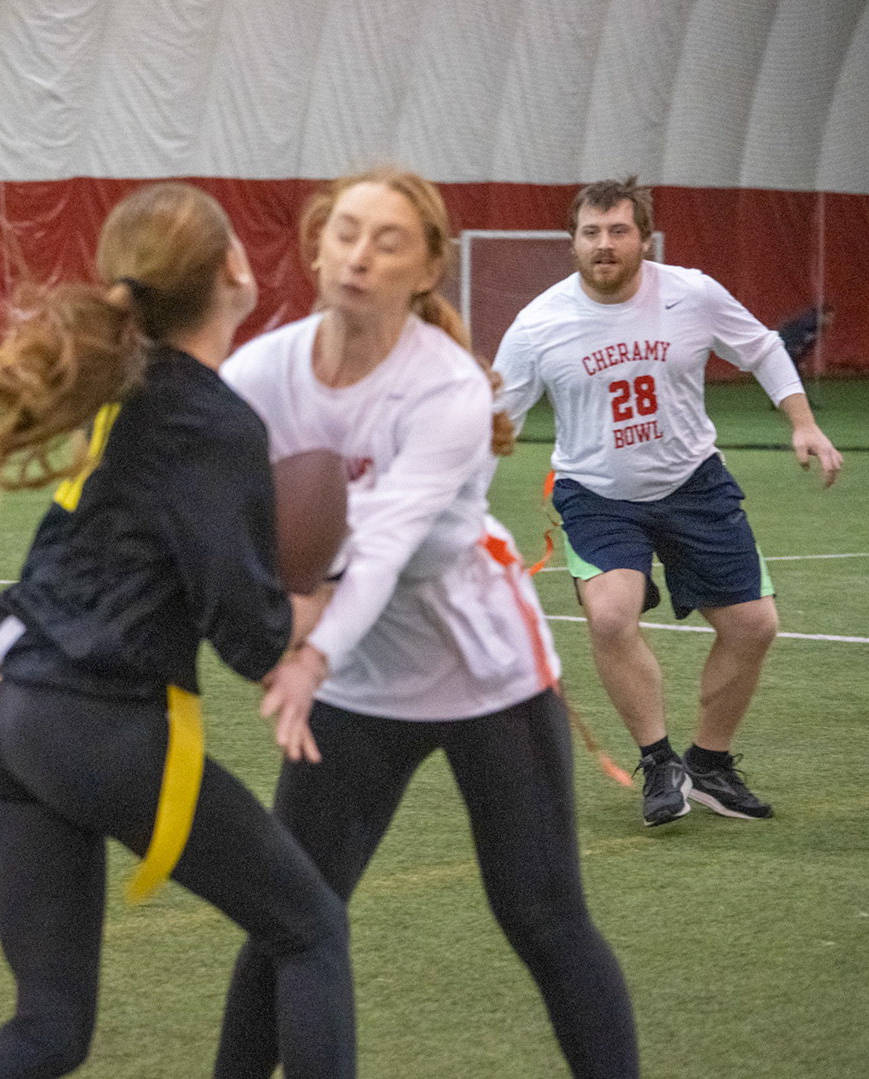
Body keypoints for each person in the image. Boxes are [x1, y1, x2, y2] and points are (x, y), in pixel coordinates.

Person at [0, 183, 355, 1079]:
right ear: (234, 268)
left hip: (15, 711)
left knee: (49, 1030)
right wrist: (313, 602)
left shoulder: (122, 391)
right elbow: (247, 636)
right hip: (97, 721)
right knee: (310, 928)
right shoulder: (212, 420)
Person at [220, 168, 638, 1078]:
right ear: (316, 245)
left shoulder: (448, 387)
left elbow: (382, 546)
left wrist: (309, 652)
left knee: (542, 914)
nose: (359, 256)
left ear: (427, 269)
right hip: (363, 682)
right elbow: (196, 500)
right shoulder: (258, 375)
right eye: (346, 233)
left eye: (388, 241)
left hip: (485, 673)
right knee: (290, 919)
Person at [493, 177, 845, 826]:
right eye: (591, 232)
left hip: (694, 485)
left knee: (754, 626)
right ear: (572, 242)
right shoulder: (538, 324)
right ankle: (659, 763)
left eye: (618, 231)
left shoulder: (692, 292)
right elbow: (493, 422)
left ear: (645, 239)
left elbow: (762, 347)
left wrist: (804, 422)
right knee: (610, 617)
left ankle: (709, 764)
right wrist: (455, 504)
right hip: (596, 494)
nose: (604, 244)